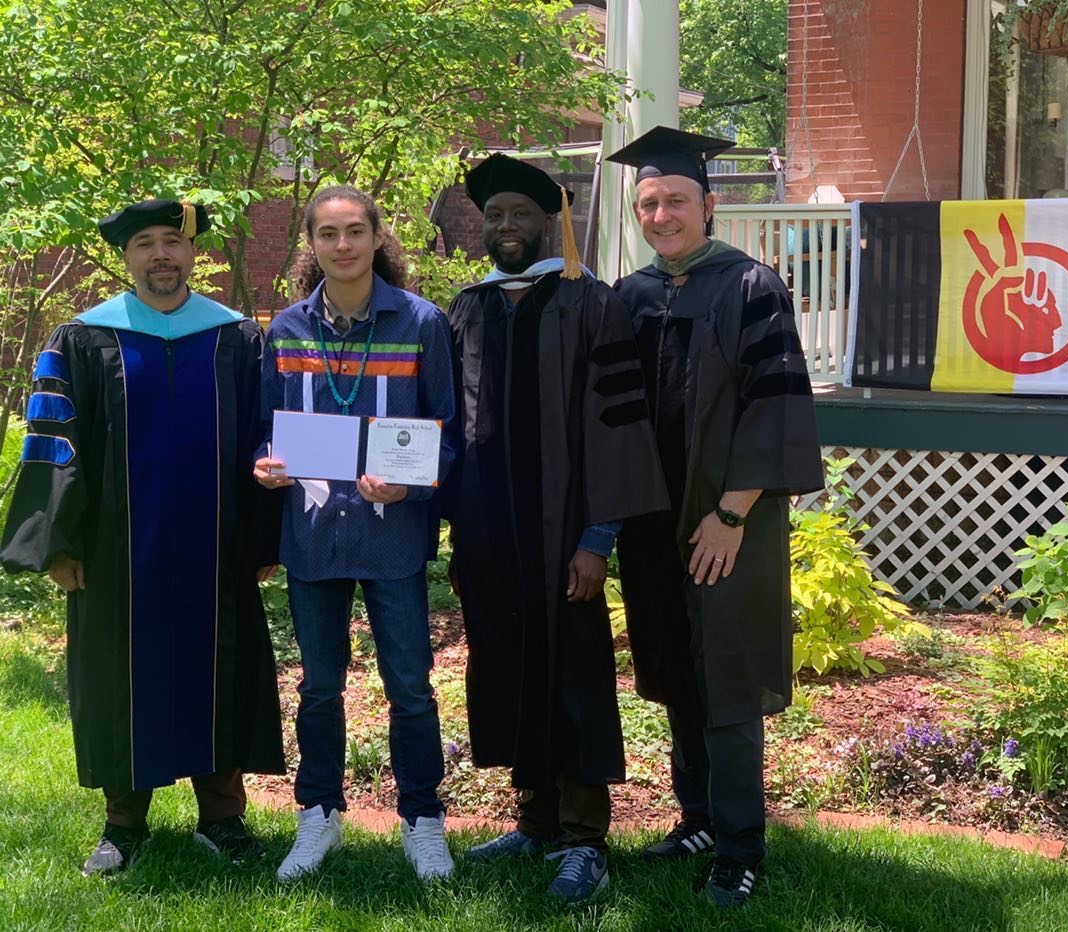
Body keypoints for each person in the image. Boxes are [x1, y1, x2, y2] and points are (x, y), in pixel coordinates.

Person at [0, 198, 286, 876]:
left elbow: (265, 437)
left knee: (220, 669)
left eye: (172, 242)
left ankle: (223, 818)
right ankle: (123, 825)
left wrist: (266, 541)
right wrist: (59, 545)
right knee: (116, 676)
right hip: (113, 555)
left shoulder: (237, 338)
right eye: (145, 245)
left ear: (193, 254)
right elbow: (52, 442)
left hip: (216, 551)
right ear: (125, 259)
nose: (161, 254)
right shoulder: (82, 339)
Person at [607, 127, 824, 908]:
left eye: (674, 201)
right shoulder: (630, 296)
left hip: (729, 522)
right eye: (648, 203)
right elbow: (611, 415)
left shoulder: (751, 287)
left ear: (710, 204)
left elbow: (776, 405)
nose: (661, 215)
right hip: (653, 521)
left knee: (727, 677)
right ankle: (697, 817)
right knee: (675, 667)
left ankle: (740, 846)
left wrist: (731, 513)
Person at [444, 154, 666, 904]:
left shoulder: (588, 304)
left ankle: (584, 839)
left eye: (519, 214)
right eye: (494, 216)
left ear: (549, 221)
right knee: (507, 668)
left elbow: (617, 430)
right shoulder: (468, 308)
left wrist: (597, 539)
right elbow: (447, 425)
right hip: (490, 536)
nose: (505, 227)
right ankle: (534, 823)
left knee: (573, 677)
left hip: (565, 535)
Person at [253, 185, 457, 883]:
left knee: (411, 685)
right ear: (311, 245)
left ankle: (423, 820)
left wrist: (413, 482)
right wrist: (265, 464)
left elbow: (450, 435)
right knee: (317, 686)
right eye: (328, 234)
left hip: (392, 535)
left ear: (377, 238)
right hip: (313, 536)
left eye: (354, 232)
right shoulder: (285, 333)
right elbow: (264, 429)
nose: (342, 245)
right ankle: (319, 816)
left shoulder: (422, 323)